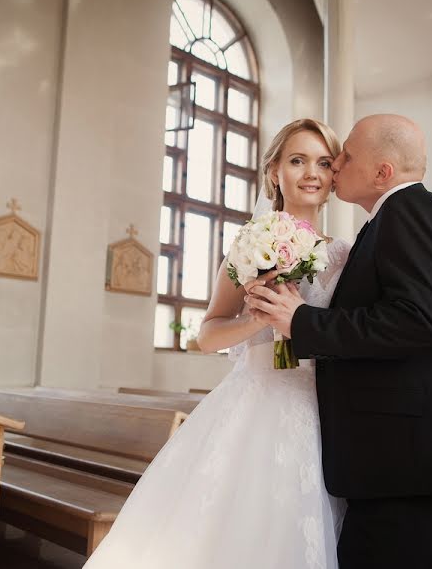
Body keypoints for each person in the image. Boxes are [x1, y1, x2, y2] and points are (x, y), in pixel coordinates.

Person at [246, 114, 432, 569]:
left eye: (344, 156)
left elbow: (423, 320)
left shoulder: (410, 214)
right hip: (403, 456)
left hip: (408, 457)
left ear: (382, 172)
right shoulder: (396, 218)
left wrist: (304, 323)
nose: (335, 166)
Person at [83, 119, 351, 568]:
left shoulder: (346, 255)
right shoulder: (250, 244)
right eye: (298, 160)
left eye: (324, 162)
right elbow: (206, 335)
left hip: (325, 408)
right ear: (274, 172)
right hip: (257, 402)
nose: (312, 173)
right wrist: (256, 320)